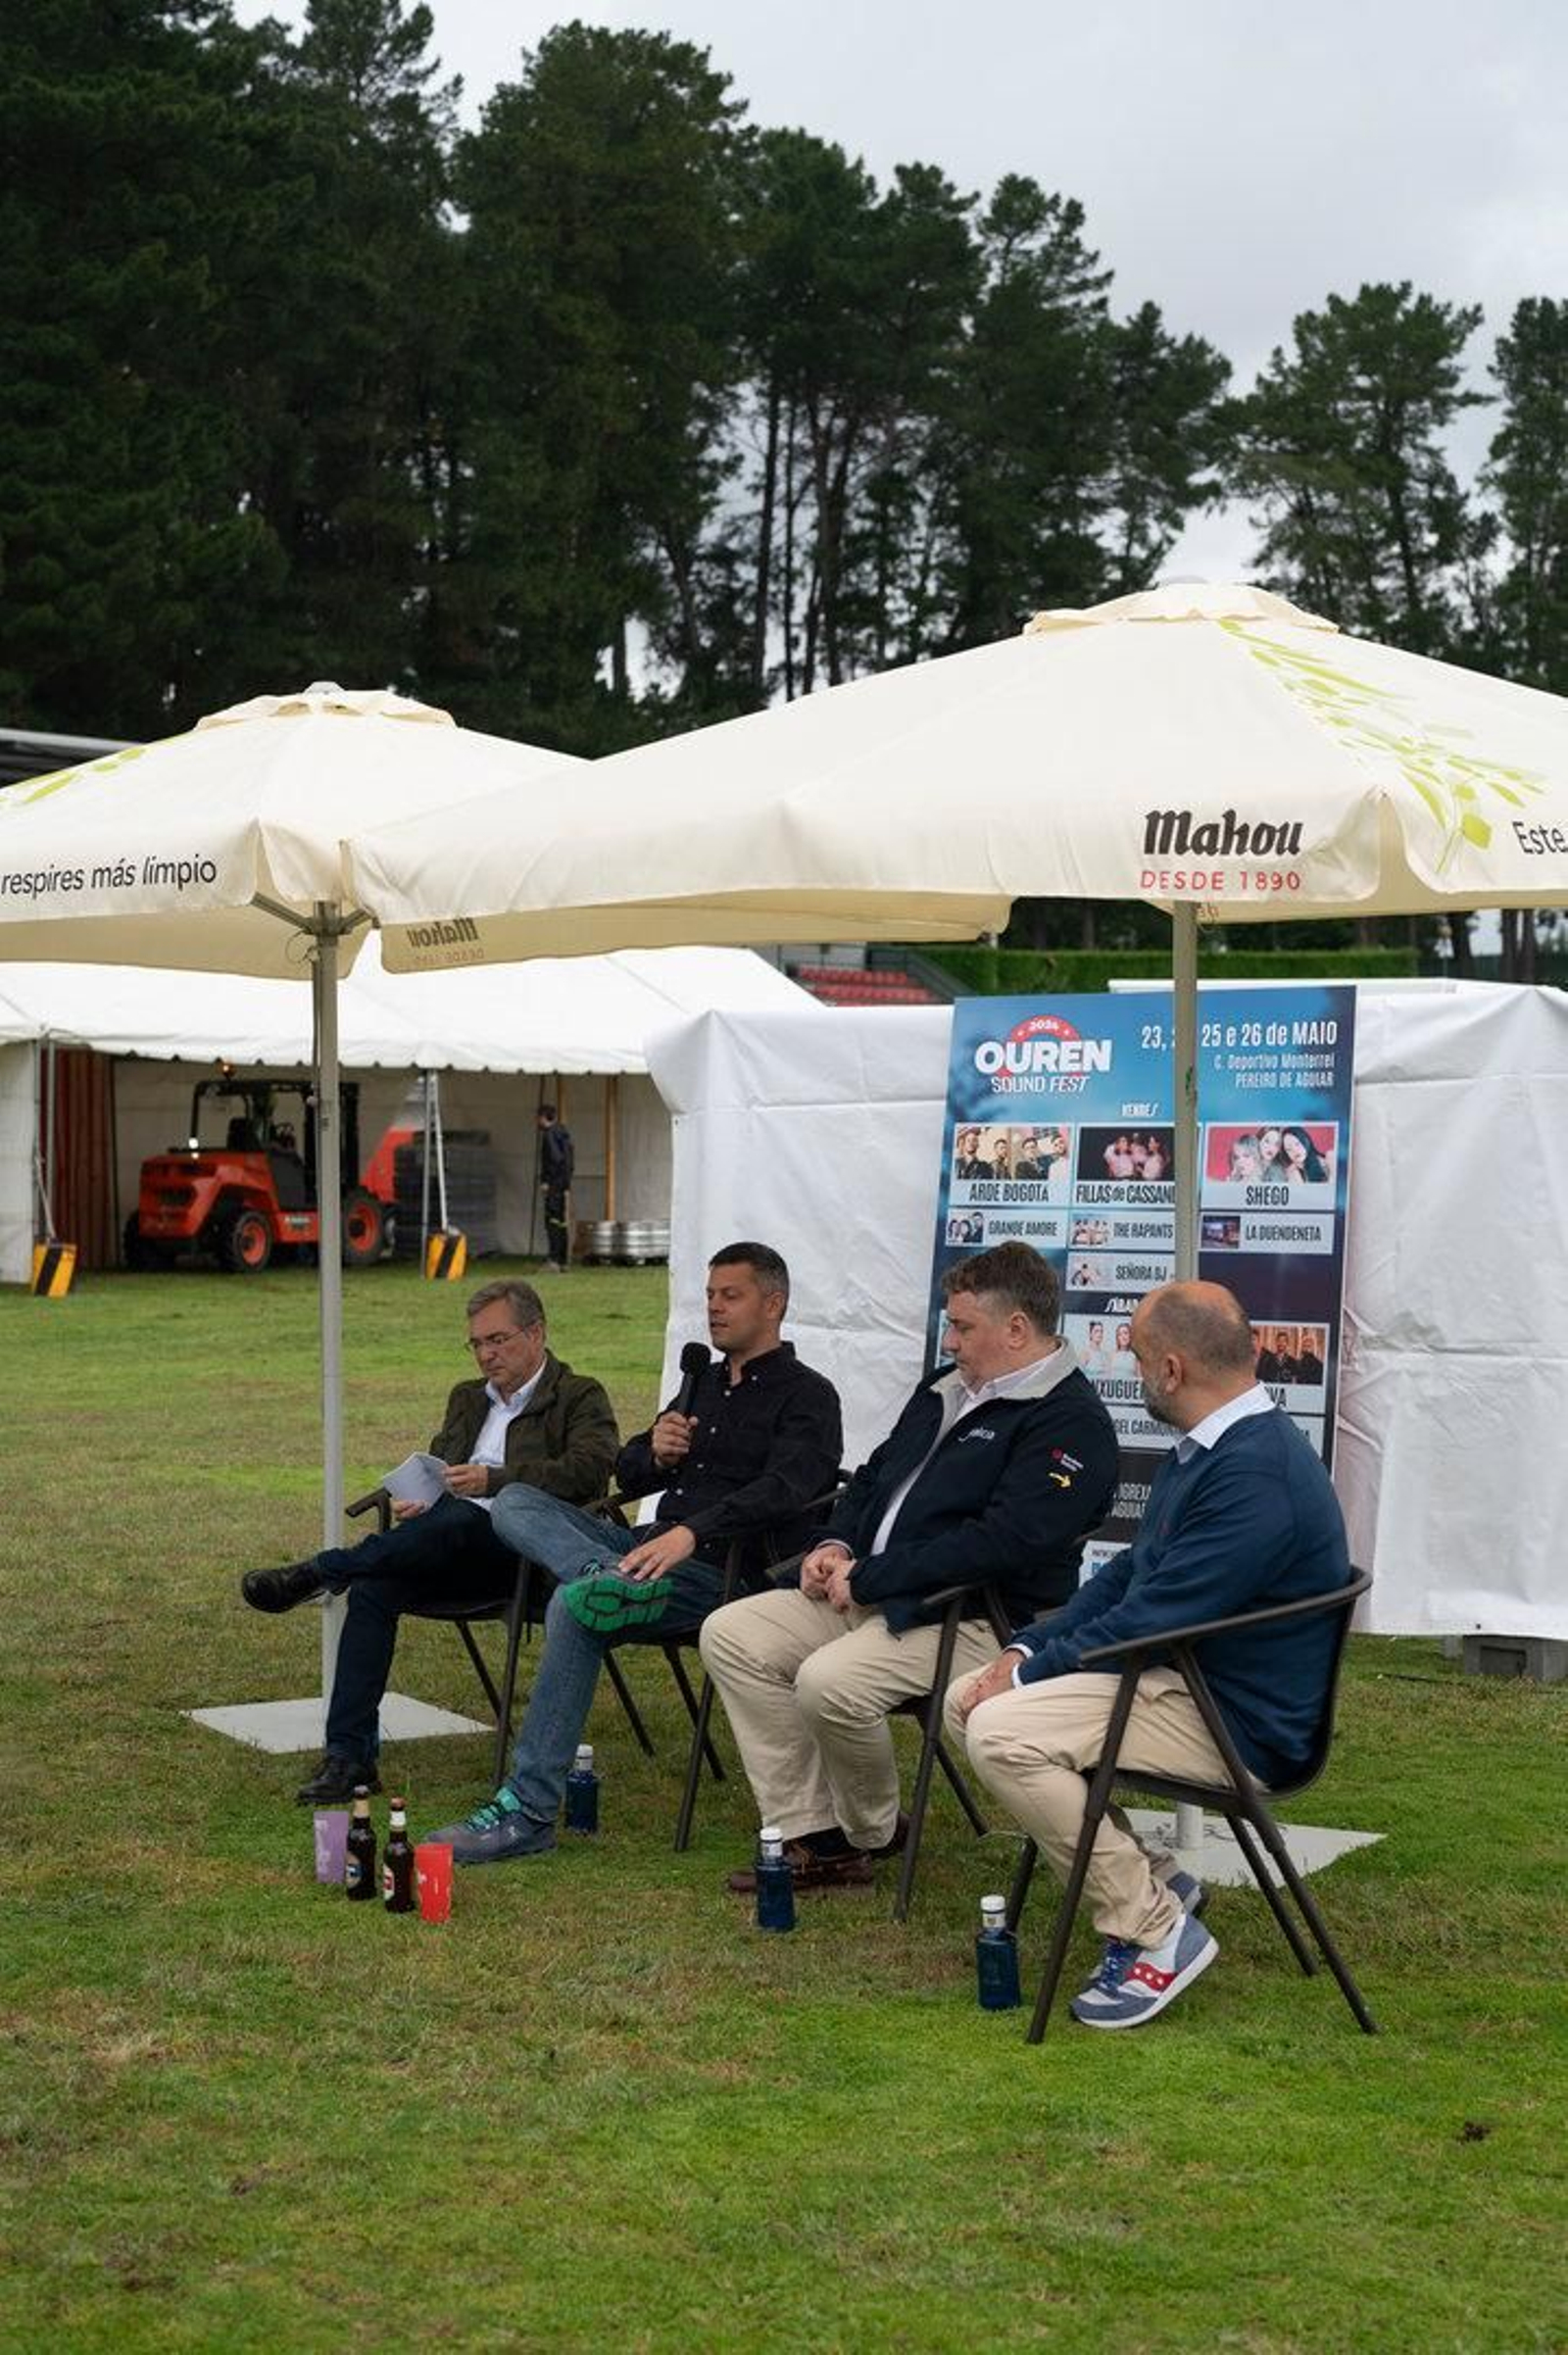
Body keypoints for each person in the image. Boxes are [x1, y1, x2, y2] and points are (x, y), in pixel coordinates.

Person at [948, 1279, 1350, 2030]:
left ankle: (1155, 1930)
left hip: (1236, 1724)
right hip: (1186, 1684)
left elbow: (1153, 1618)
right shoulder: (1218, 1446)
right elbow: (1133, 1577)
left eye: (1135, 1360)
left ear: (1171, 1371)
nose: (1131, 1375)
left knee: (1000, 1729)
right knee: (969, 1695)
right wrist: (1027, 1645)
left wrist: (1029, 1672)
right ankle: (1153, 1875)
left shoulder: (1252, 1474)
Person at [697, 1243, 1119, 1892]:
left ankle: (867, 1834)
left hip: (973, 1617)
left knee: (828, 1683)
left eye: (962, 1327)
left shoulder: (1071, 1421)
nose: (949, 1340)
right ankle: (816, 1830)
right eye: (948, 1324)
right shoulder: (943, 1388)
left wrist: (872, 1575)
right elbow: (873, 1477)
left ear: (1016, 1328)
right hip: (876, 1592)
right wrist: (833, 1544)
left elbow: (1001, 1544)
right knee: (731, 1632)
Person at [425, 1242, 843, 1865]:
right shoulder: (700, 1383)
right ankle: (602, 1574)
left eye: (731, 1296)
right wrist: (658, 1450)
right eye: (709, 1296)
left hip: (727, 1576)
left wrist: (693, 1532)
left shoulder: (808, 1395)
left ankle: (529, 1809)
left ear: (773, 1303)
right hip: (642, 1555)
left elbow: (787, 1490)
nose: (714, 1309)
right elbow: (627, 1470)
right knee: (515, 1502)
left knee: (576, 1605)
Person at [241, 1281, 620, 1804]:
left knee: (465, 1519)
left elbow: (591, 1471)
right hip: (452, 1543)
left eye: (498, 1340)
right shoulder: (467, 1398)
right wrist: (421, 1497)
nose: (486, 1354)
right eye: (477, 1344)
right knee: (377, 1585)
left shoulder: (579, 1395)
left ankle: (326, 1569)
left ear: (536, 1333)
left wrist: (498, 1482)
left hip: (529, 1555)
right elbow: (445, 1468)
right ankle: (350, 1759)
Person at [537, 1102, 574, 1272]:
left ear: (543, 1117)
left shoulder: (550, 1135)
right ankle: (563, 1259)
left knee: (551, 1221)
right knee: (561, 1222)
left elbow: (555, 1159)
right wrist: (566, 1182)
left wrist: (547, 1182)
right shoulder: (564, 1134)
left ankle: (553, 1260)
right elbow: (568, 1161)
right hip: (564, 1184)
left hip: (554, 1186)